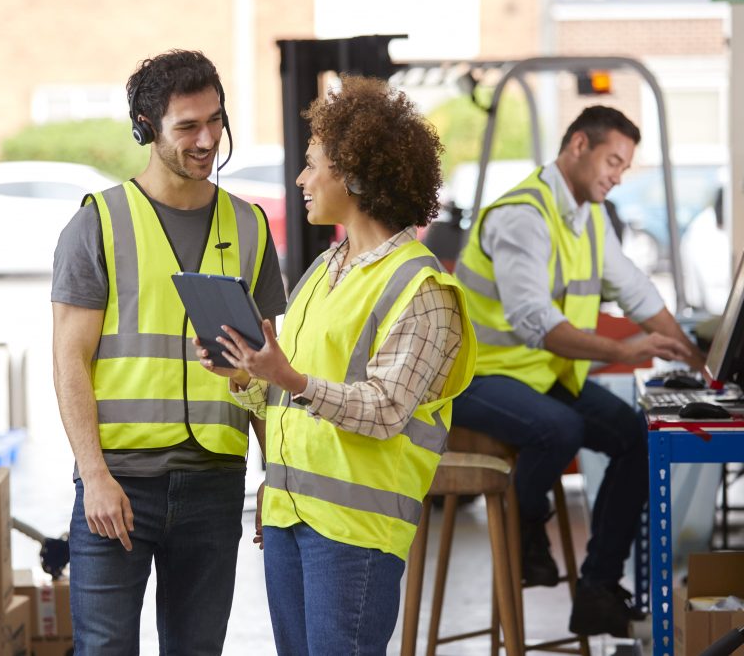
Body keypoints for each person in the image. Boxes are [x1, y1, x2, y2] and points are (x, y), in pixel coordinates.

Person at [195, 75, 476, 654]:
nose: (301, 179)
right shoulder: (325, 270)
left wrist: (289, 378)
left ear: (355, 174)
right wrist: (246, 373)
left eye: (312, 164)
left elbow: (386, 410)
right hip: (289, 516)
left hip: (356, 536)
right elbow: (287, 398)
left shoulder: (422, 289)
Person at [51, 49, 286, 654]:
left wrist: (274, 475)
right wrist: (94, 476)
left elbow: (268, 366)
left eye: (215, 120)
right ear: (146, 128)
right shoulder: (98, 223)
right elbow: (69, 360)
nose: (207, 139)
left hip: (213, 484)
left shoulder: (252, 227)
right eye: (187, 126)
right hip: (119, 484)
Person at [452, 105, 705, 637]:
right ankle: (526, 527)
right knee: (560, 429)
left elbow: (632, 287)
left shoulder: (584, 214)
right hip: (476, 377)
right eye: (612, 160)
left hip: (537, 378)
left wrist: (693, 356)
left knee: (637, 435)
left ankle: (596, 590)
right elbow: (535, 324)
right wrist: (626, 351)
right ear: (577, 147)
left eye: (624, 167)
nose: (616, 175)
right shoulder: (522, 216)